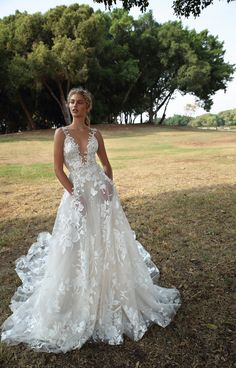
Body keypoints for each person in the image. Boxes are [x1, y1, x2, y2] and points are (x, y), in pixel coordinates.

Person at [0, 87, 181, 353]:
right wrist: (74, 194)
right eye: (71, 102)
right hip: (77, 196)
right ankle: (79, 296)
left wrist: (109, 185)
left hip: (102, 196)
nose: (74, 106)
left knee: (105, 242)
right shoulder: (61, 133)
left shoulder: (96, 134)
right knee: (77, 245)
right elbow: (57, 169)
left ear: (87, 106)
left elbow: (106, 164)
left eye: (79, 102)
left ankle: (109, 291)